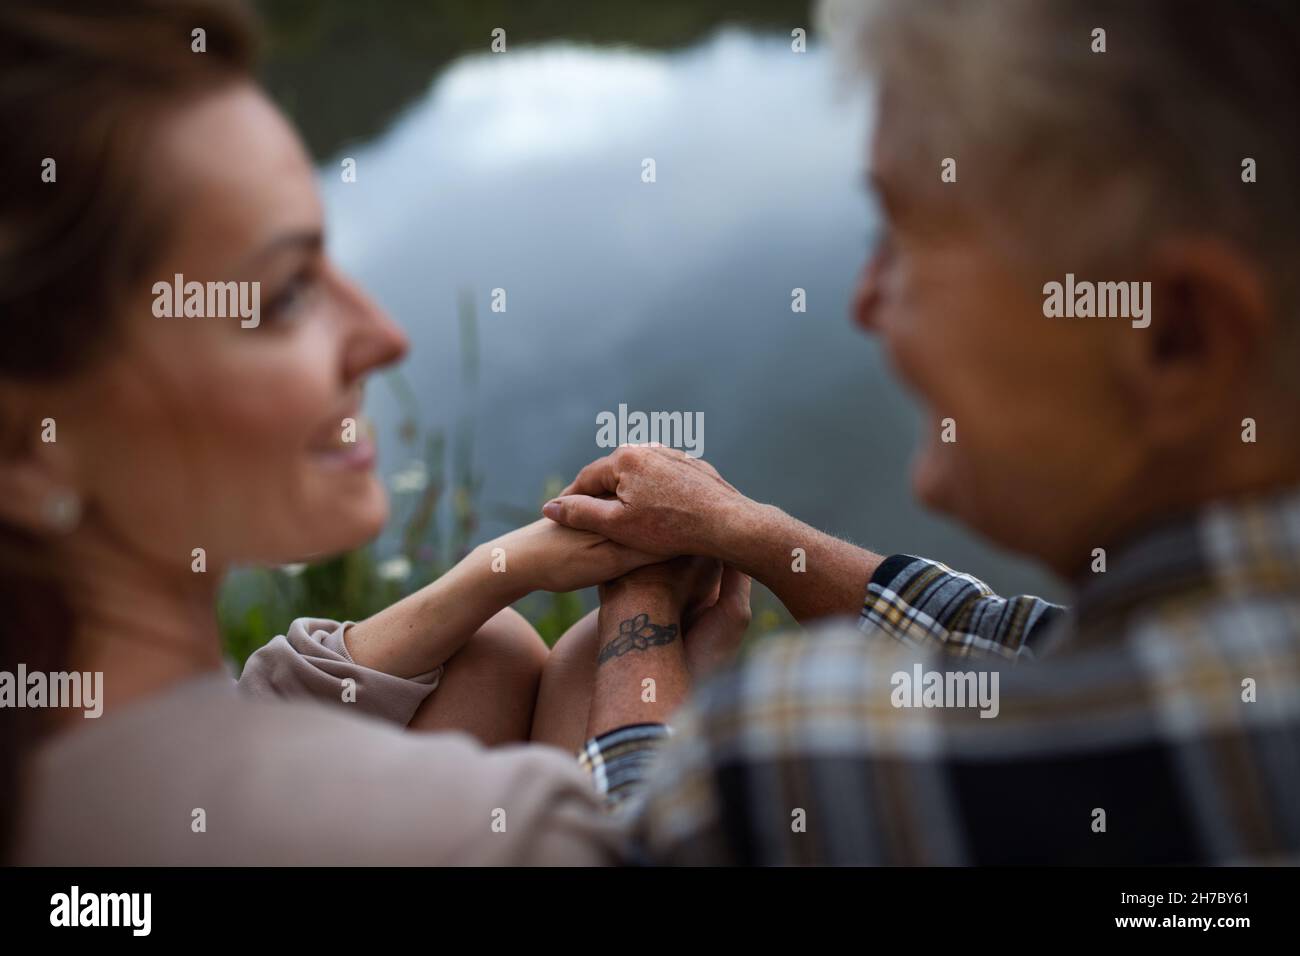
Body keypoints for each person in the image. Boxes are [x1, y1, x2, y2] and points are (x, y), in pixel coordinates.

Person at [544, 0, 1300, 864]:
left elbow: (650, 835)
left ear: (1176, 336)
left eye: (900, 236)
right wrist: (743, 532)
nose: (865, 301)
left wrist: (638, 602)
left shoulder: (805, 761)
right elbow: (1026, 642)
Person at [0, 0, 749, 865]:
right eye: (281, 296)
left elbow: (248, 710)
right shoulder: (459, 835)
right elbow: (662, 850)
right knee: (584, 663)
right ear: (29, 449)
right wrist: (642, 625)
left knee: (490, 642)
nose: (385, 336)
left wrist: (499, 571)